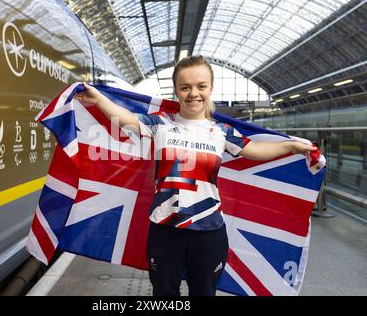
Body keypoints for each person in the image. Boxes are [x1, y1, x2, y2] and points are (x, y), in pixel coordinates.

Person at [74, 55, 316, 296]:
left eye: (201, 86)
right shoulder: (160, 124)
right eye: (185, 87)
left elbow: (255, 151)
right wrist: (99, 99)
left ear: (210, 88)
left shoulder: (222, 132)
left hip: (209, 232)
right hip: (165, 230)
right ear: (176, 91)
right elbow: (124, 117)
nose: (193, 94)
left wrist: (291, 146)